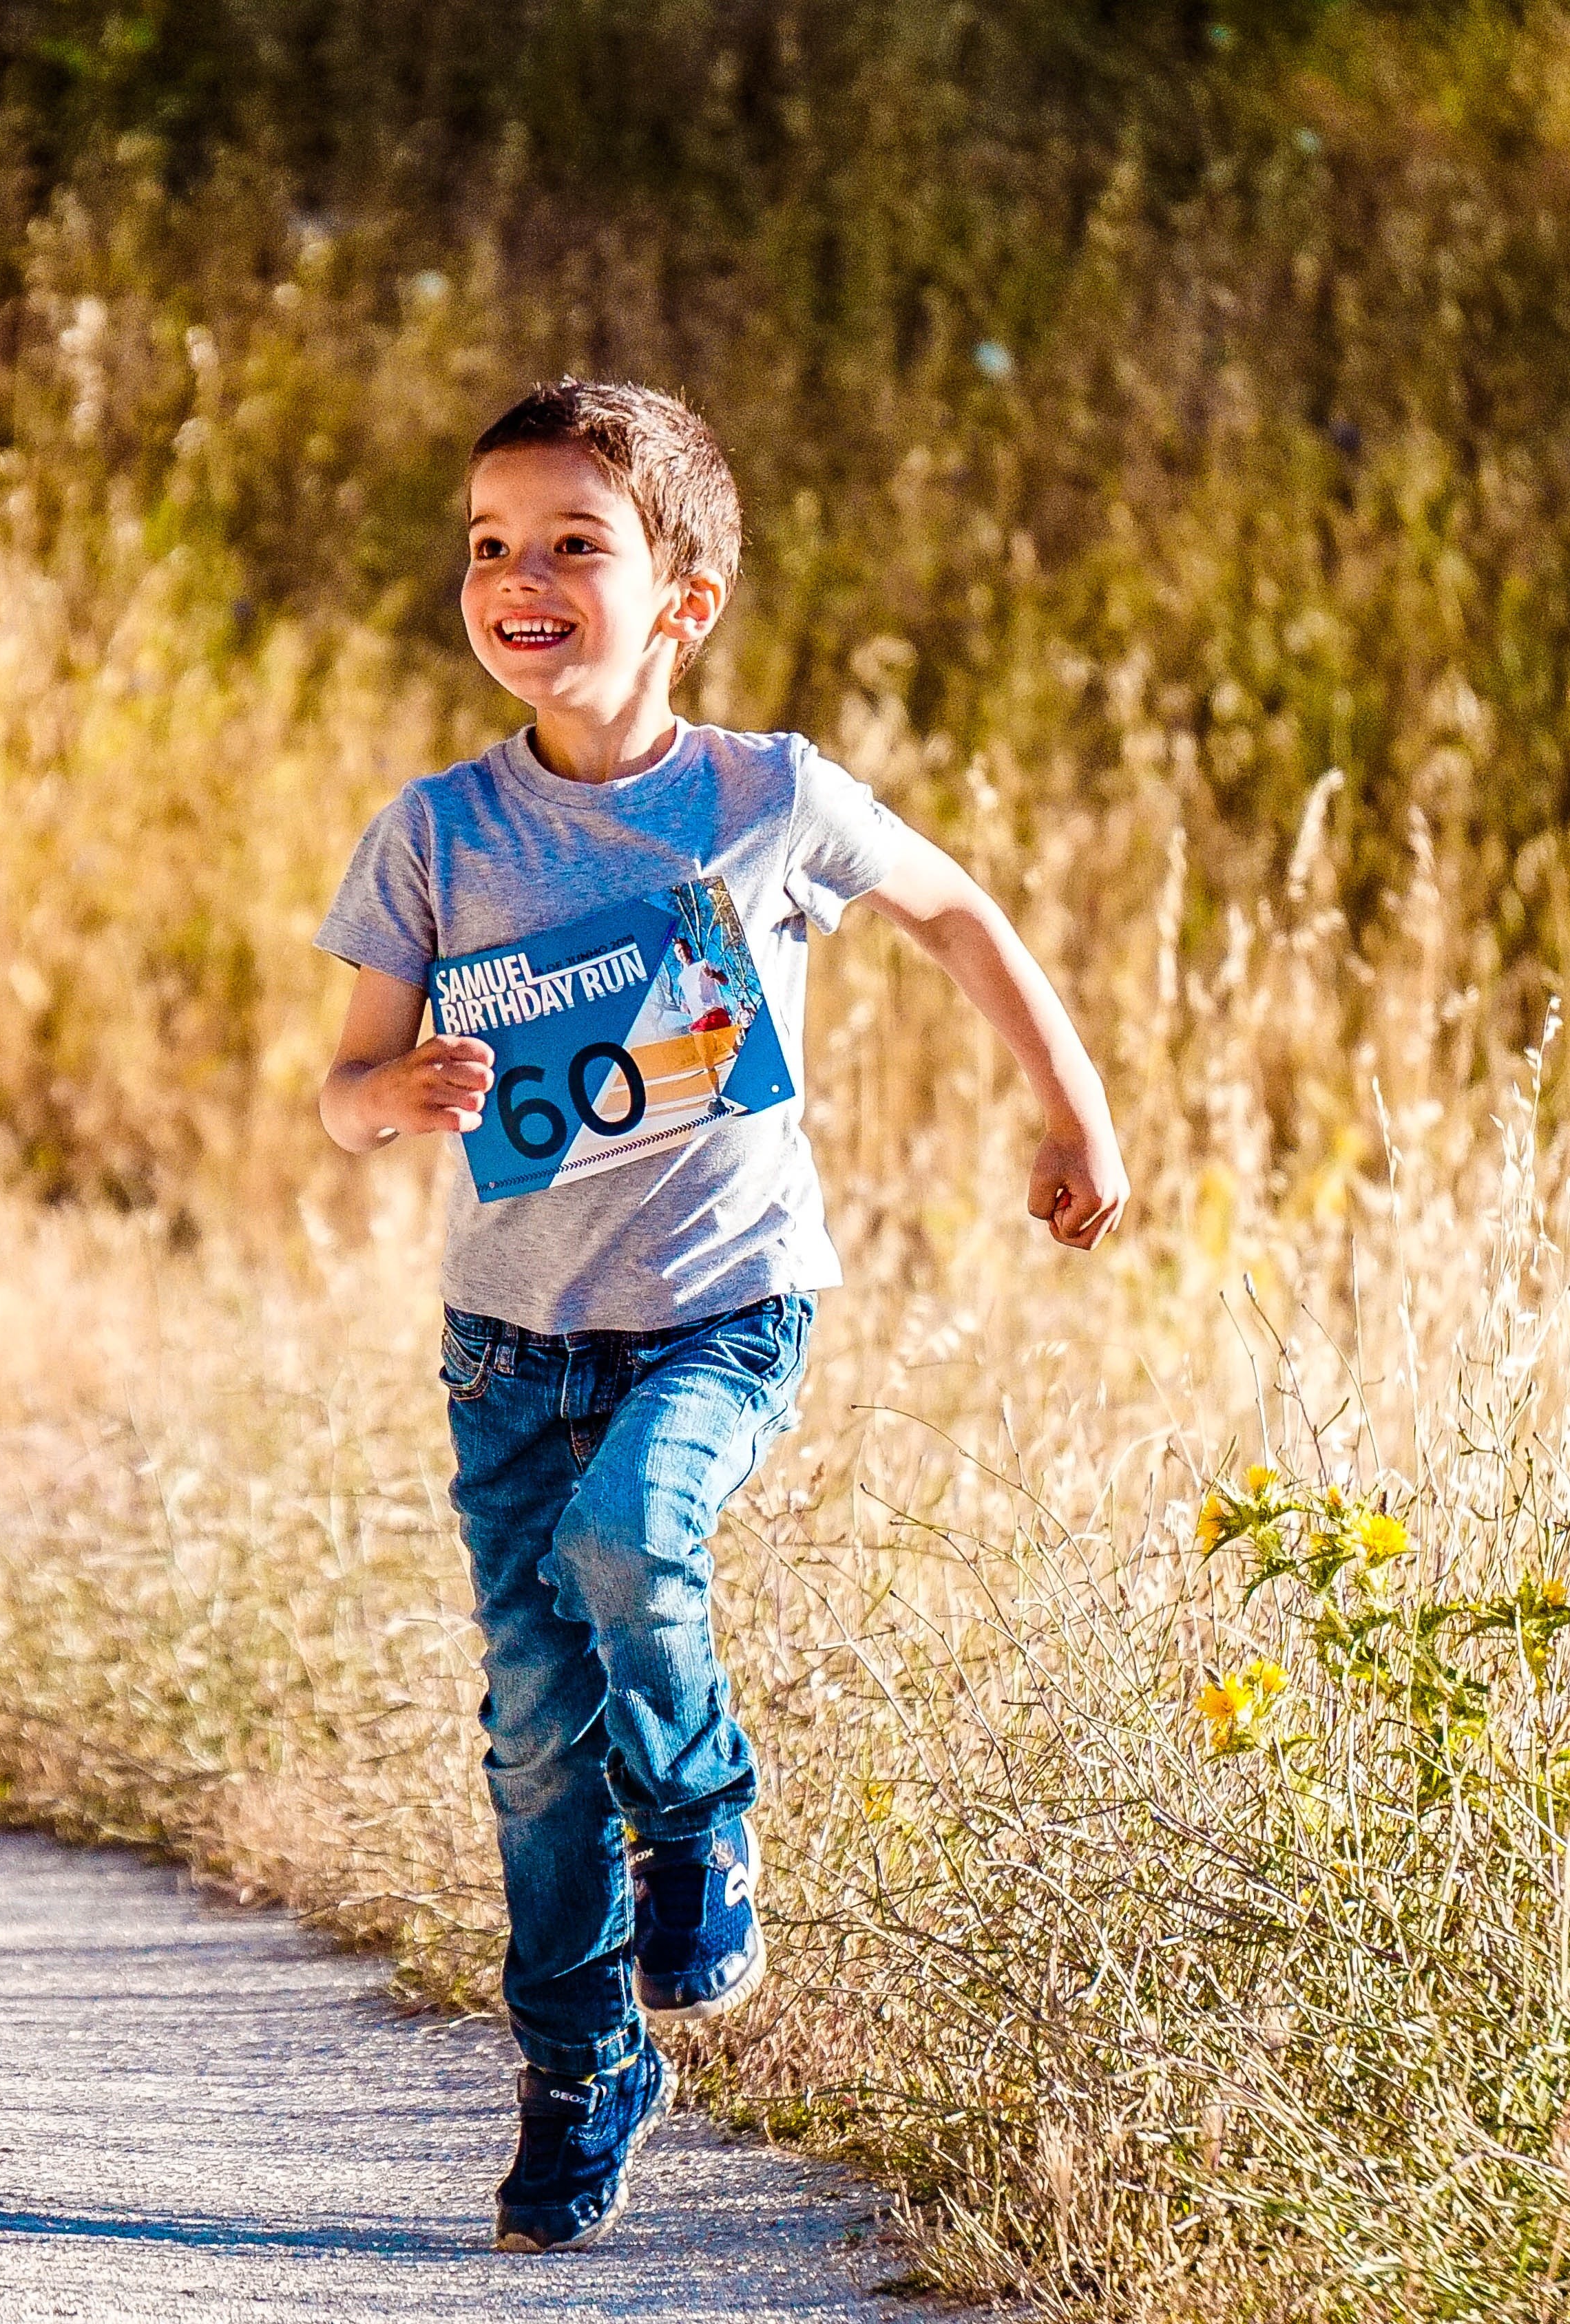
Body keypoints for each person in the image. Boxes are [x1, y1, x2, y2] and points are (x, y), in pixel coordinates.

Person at [315, 378, 1128, 2253]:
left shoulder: (766, 796)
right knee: (530, 1731)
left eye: (571, 546)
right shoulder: (434, 836)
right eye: (488, 544)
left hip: (722, 1313)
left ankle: (701, 1820)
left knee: (634, 1541)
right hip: (510, 1345)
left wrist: (1072, 1103)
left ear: (679, 596)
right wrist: (400, 1096)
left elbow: (954, 913)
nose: (518, 578)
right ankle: (584, 2058)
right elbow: (344, 1086)